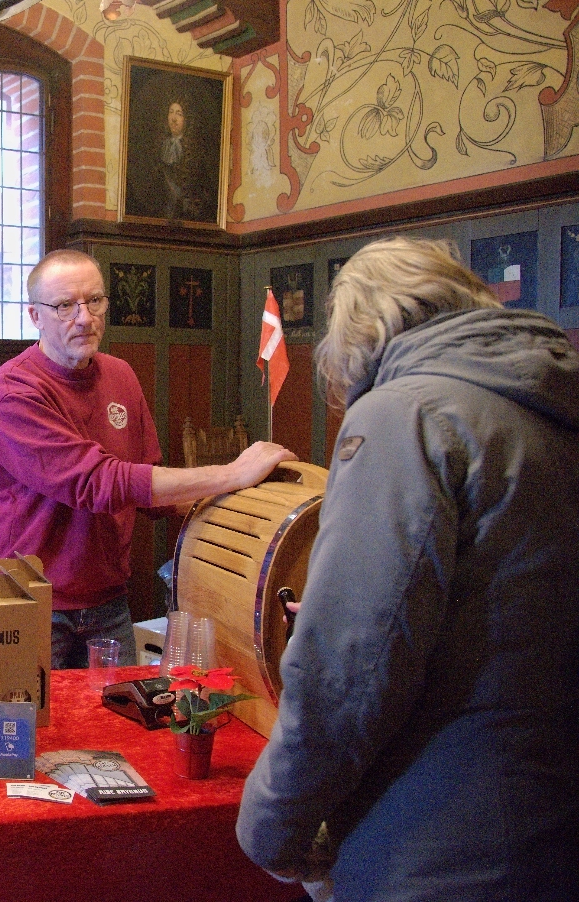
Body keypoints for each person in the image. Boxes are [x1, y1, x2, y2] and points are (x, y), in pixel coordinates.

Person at [236, 237, 579, 901]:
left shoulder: (405, 413)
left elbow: (351, 661)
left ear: (362, 330)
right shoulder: (548, 399)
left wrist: (272, 825)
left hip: (440, 836)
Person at [0, 249, 294, 668]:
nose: (85, 317)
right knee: (32, 715)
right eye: (65, 305)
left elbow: (151, 494)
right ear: (35, 315)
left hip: (108, 602)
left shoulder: (120, 374)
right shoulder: (11, 390)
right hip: (28, 601)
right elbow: (97, 483)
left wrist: (256, 507)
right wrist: (233, 473)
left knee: (117, 713)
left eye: (94, 300)